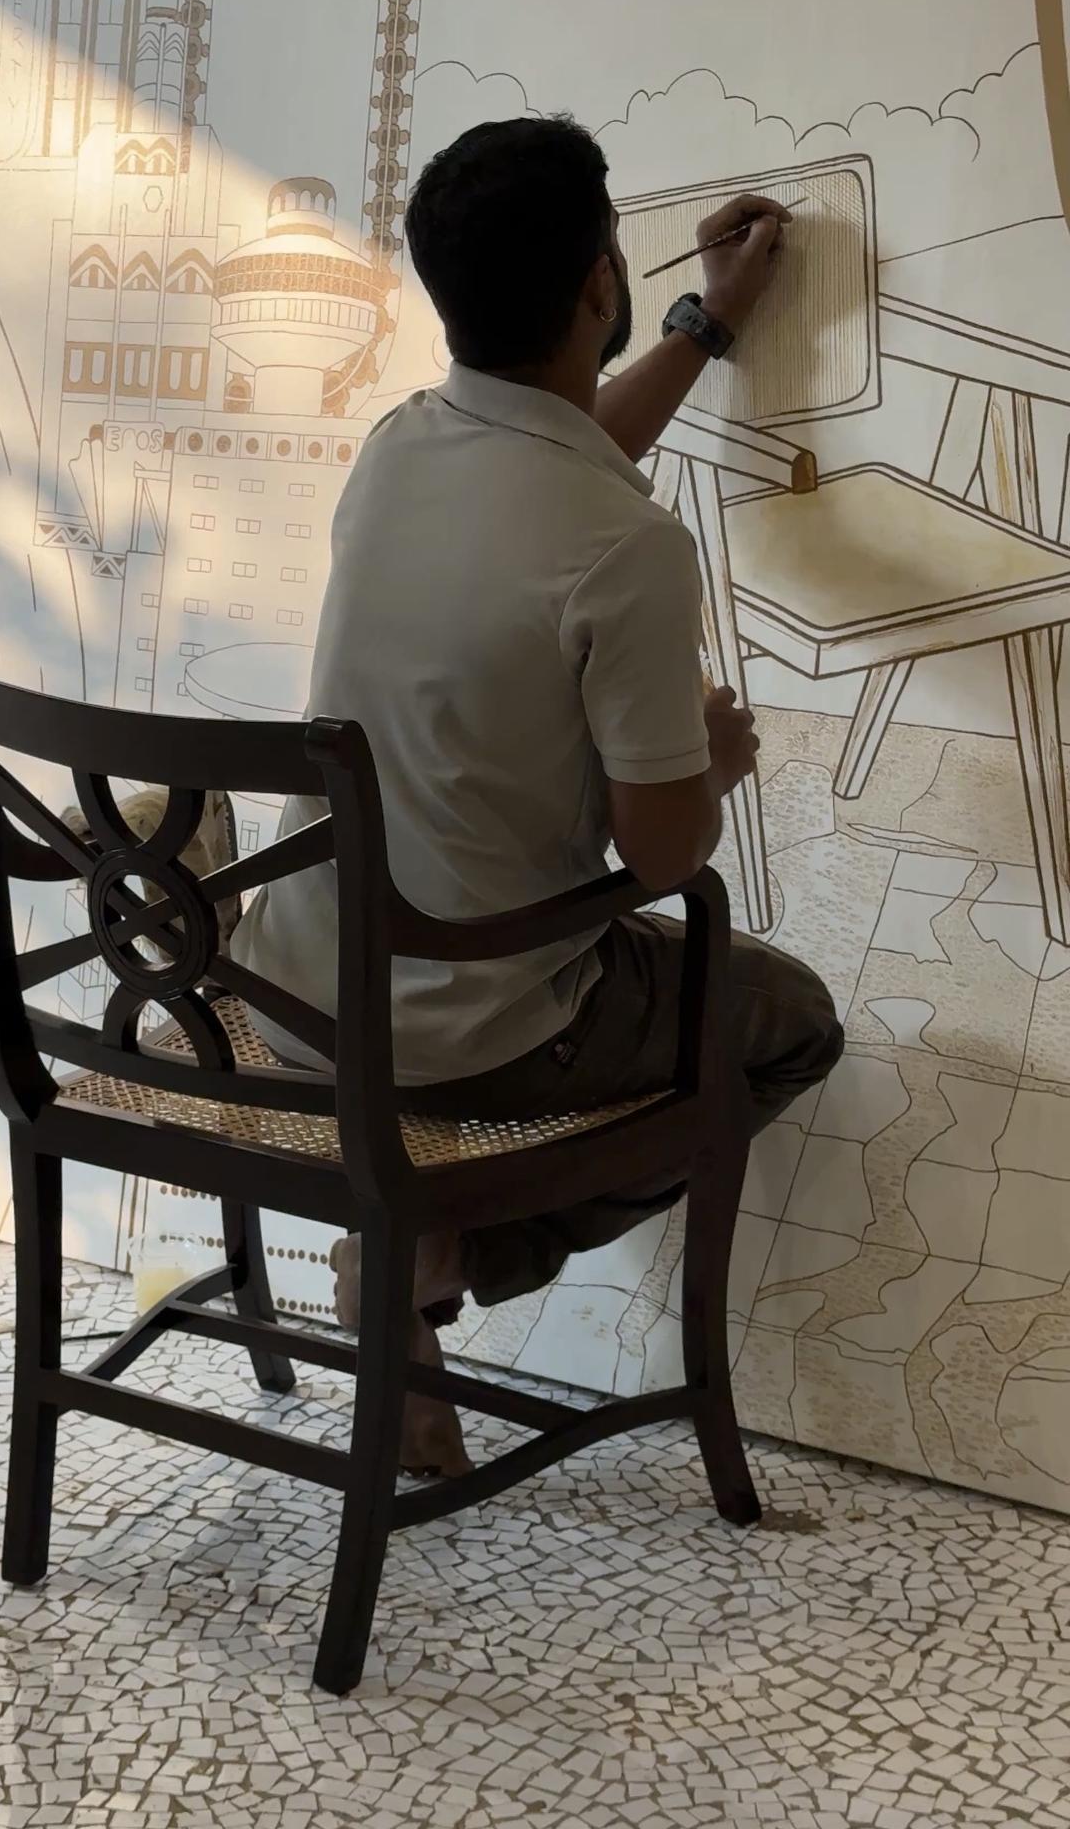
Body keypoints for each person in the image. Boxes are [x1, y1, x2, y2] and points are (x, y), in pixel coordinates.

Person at [233, 116, 843, 1474]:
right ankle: (442, 1251)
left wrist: (702, 328)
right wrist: (711, 761)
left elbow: (561, 471)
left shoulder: (399, 445)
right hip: (463, 1034)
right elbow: (665, 857)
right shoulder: (630, 548)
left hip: (296, 989)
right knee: (792, 1024)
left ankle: (412, 1265)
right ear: (599, 281)